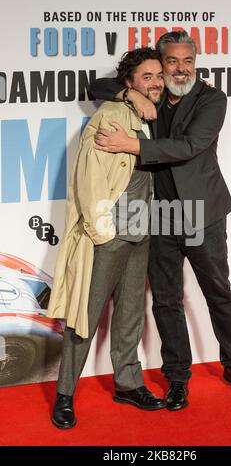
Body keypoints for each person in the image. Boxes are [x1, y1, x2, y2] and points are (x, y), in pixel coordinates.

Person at [90, 31, 231, 411]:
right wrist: (129, 93)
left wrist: (132, 145)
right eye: (172, 62)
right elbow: (96, 84)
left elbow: (189, 146)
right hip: (158, 215)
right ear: (160, 63)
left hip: (202, 212)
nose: (181, 69)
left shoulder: (211, 99)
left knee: (218, 292)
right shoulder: (149, 92)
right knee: (166, 300)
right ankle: (177, 379)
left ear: (195, 62)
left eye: (188, 61)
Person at [47, 47, 166, 429]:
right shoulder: (111, 114)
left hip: (142, 226)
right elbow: (89, 179)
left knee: (131, 311)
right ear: (128, 83)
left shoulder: (154, 114)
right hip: (111, 231)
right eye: (146, 76)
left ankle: (128, 383)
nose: (156, 82)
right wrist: (102, 231)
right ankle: (64, 395)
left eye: (158, 75)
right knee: (86, 315)